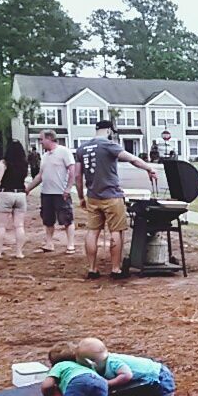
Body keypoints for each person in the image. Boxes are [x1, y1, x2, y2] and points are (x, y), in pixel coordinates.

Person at [74, 120, 157, 280]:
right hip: (112, 195)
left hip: (92, 197)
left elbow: (78, 175)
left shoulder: (82, 148)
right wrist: (149, 168)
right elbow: (132, 159)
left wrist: (80, 196)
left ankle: (92, 269)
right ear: (109, 130)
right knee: (116, 232)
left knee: (92, 232)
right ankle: (115, 269)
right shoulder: (109, 145)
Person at [76, 337, 198, 396]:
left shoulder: (113, 362)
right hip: (144, 380)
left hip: (157, 375)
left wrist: (108, 383)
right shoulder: (102, 363)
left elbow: (126, 376)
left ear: (92, 363)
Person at [26, 130, 78, 254]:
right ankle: (49, 243)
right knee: (47, 219)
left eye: (41, 139)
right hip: (46, 193)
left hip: (60, 192)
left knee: (67, 219)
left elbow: (72, 170)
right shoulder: (45, 156)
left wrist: (68, 188)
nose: (40, 142)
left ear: (49, 138)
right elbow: (40, 176)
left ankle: (70, 244)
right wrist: (28, 188)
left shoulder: (64, 152)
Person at [0, 140, 30, 260]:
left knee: (1, 226)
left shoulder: (4, 163)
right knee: (19, 226)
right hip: (20, 194)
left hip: (6, 193)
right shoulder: (24, 163)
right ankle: (19, 252)